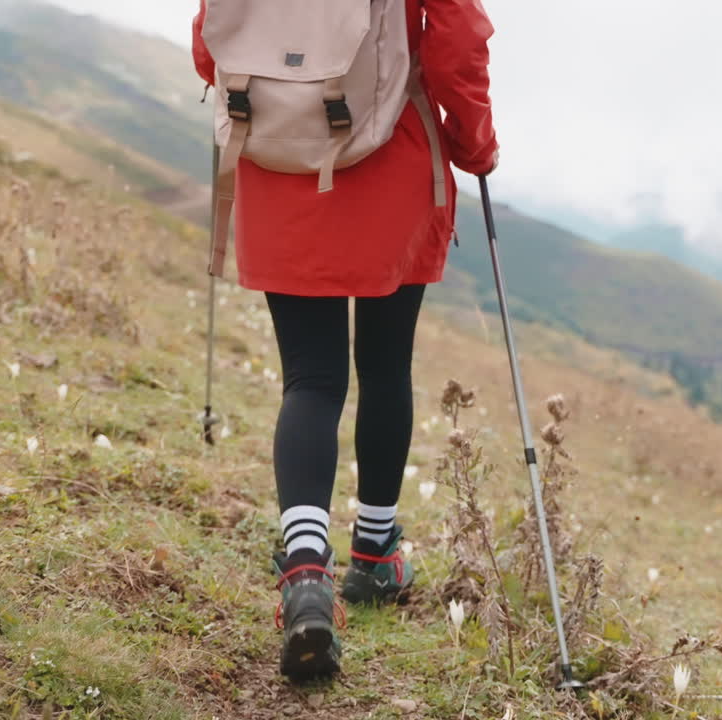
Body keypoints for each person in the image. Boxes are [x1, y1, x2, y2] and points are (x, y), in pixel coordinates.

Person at [191, 0, 499, 680]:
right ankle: (375, 555)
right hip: (392, 162)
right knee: (385, 366)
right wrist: (476, 144)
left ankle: (305, 573)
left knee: (312, 379)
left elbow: (209, 45)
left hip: (278, 164)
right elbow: (456, 46)